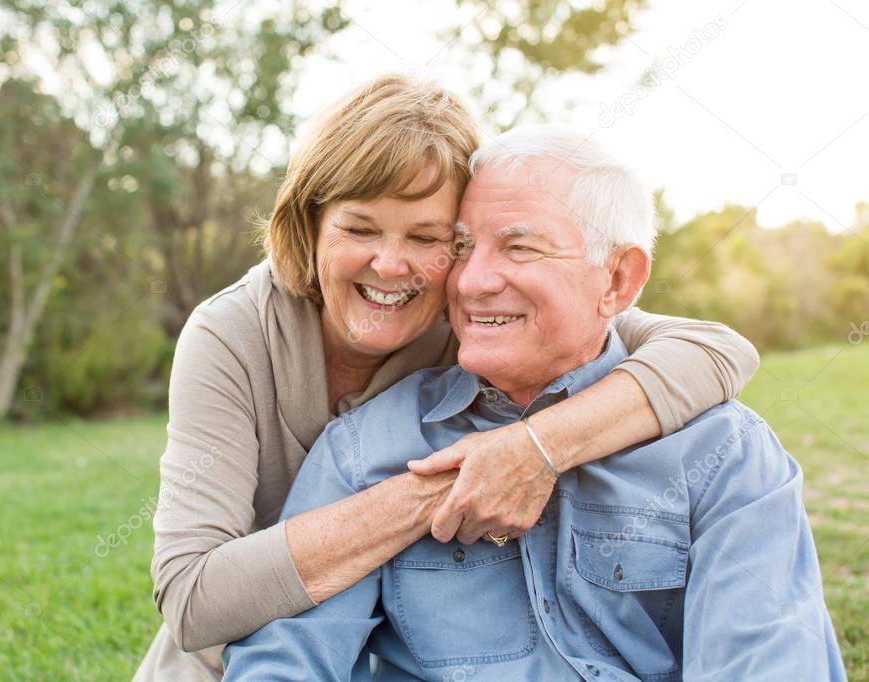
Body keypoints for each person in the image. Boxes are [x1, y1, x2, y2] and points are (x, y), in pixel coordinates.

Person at [133, 76, 760, 680]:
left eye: (429, 237)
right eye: (358, 228)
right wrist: (458, 482)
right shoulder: (232, 335)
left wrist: (536, 447)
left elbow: (714, 349)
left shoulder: (477, 317)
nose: (390, 264)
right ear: (310, 224)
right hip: (234, 644)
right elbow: (193, 598)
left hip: (388, 630)